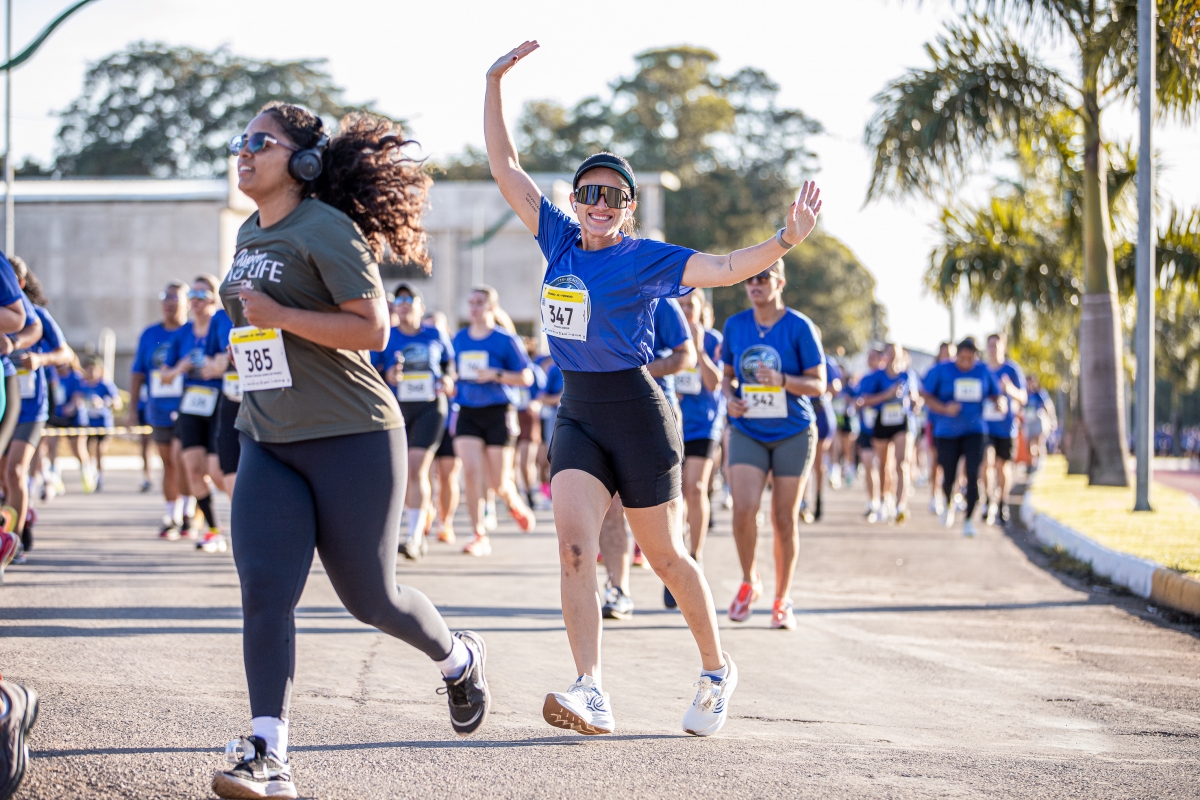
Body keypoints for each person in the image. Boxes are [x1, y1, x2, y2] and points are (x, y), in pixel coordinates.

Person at [485, 40, 821, 736]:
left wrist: (784, 240)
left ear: (628, 207)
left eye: (612, 195)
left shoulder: (644, 259)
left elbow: (724, 267)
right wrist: (494, 84)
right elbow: (505, 167)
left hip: (638, 413)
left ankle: (716, 669)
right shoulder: (558, 240)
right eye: (589, 192)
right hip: (578, 412)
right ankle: (590, 689)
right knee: (573, 550)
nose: (598, 203)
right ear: (575, 200)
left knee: (665, 556)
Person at [211, 103, 490, 799]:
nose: (245, 152)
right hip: (267, 435)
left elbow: (372, 330)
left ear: (303, 161)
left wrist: (280, 317)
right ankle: (268, 752)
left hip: (352, 436)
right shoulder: (247, 231)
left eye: (260, 142)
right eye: (241, 141)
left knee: (371, 599)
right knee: (264, 592)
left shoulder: (325, 227)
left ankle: (458, 658)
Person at [721, 260, 826, 630]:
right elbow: (727, 376)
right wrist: (729, 399)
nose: (755, 284)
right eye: (750, 278)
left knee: (783, 518)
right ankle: (749, 580)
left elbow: (819, 384)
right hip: (748, 428)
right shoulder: (735, 325)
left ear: (779, 283)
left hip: (792, 431)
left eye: (763, 278)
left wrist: (783, 379)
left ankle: (782, 599)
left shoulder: (799, 326)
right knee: (743, 509)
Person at [599, 295, 694, 617]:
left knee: (664, 506)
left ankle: (676, 561)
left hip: (655, 411)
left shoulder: (660, 300)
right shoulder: (597, 292)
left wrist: (638, 371)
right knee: (611, 505)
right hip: (605, 410)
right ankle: (618, 589)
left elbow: (685, 355)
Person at [451, 285, 536, 556]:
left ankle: (513, 502)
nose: (474, 307)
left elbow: (527, 377)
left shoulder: (506, 339)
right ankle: (478, 534)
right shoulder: (459, 338)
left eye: (479, 302)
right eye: (471, 302)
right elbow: (451, 371)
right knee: (471, 472)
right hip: (467, 410)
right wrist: (450, 382)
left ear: (491, 307)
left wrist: (495, 374)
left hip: (499, 411)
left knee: (498, 483)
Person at [373, 284, 456, 560]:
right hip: (396, 409)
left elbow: (449, 364)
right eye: (399, 299)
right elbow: (373, 370)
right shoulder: (386, 334)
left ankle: (414, 537)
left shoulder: (434, 334)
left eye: (410, 299)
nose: (404, 303)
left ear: (421, 307)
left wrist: (448, 379)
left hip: (430, 407)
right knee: (401, 472)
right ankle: (416, 523)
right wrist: (388, 376)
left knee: (417, 468)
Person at [4, 264, 70, 555]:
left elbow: (65, 353)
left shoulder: (36, 316)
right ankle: (23, 514)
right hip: (5, 405)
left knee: (16, 470)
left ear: (19, 282)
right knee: (5, 477)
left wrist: (41, 360)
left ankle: (13, 542)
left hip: (31, 409)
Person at [161, 276, 229, 548]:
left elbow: (227, 360)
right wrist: (181, 367)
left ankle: (250, 517)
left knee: (217, 472)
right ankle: (214, 531)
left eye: (203, 294)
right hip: (191, 404)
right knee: (192, 470)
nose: (197, 300)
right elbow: (164, 375)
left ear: (213, 298)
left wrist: (214, 365)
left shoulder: (221, 321)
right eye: (193, 294)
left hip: (220, 402)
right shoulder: (183, 334)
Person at [920, 337, 1002, 537]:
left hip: (975, 430)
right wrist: (944, 408)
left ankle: (968, 519)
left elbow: (996, 394)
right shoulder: (941, 369)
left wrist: (1000, 403)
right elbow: (925, 395)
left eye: (970, 359)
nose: (965, 363)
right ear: (956, 356)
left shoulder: (983, 370)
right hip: (947, 431)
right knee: (948, 475)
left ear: (976, 356)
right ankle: (948, 501)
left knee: (973, 473)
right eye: (962, 358)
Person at [129, 281, 191, 538]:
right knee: (168, 463)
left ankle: (189, 512)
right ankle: (172, 515)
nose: (169, 303)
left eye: (175, 298)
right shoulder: (150, 334)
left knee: (183, 459)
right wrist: (133, 410)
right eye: (166, 297)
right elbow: (137, 373)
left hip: (189, 407)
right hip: (158, 408)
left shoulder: (192, 331)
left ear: (187, 303)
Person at [675, 290, 724, 563]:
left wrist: (699, 348)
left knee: (695, 488)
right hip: (672, 423)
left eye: (690, 305)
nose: (685, 310)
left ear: (700, 308)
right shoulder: (668, 336)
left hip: (703, 426)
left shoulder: (714, 339)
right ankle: (678, 554)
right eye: (680, 305)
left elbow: (714, 383)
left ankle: (696, 555)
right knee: (675, 493)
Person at [856, 343, 920, 524]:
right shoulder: (876, 376)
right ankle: (885, 499)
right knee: (884, 465)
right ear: (884, 356)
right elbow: (864, 401)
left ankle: (901, 506)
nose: (892, 357)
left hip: (902, 422)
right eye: (889, 353)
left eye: (895, 354)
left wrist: (915, 402)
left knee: (902, 463)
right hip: (882, 422)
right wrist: (887, 395)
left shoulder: (907, 375)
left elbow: (915, 396)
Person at [982, 333, 1027, 525]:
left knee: (1002, 466)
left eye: (996, 345)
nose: (993, 349)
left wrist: (1009, 390)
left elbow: (1023, 397)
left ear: (1003, 347)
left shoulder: (1012, 369)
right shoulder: (982, 370)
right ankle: (987, 501)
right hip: (985, 427)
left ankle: (1002, 503)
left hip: (1006, 427)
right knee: (986, 463)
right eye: (990, 345)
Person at [71, 355, 123, 492]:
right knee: (87, 450)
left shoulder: (105, 385)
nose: (91, 372)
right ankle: (91, 472)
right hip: (87, 423)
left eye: (94, 369)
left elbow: (118, 403)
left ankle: (100, 476)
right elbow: (76, 398)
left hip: (103, 423)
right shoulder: (82, 385)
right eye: (88, 369)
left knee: (100, 449)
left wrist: (104, 402)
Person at [809, 349, 843, 521]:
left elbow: (836, 387)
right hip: (798, 412)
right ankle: (802, 502)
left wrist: (813, 386)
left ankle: (818, 499)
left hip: (820, 412)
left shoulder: (826, 361)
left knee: (817, 461)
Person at [855, 349, 883, 521]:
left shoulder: (887, 377)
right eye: (868, 357)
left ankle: (885, 499)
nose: (869, 360)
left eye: (873, 357)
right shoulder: (864, 379)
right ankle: (872, 502)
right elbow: (858, 400)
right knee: (867, 464)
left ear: (881, 359)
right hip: (866, 428)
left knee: (885, 467)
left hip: (884, 429)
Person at [1023, 374, 1056, 470]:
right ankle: (1033, 463)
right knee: (1029, 445)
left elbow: (1047, 406)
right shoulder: (1024, 393)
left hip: (1038, 419)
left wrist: (1051, 420)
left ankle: (1039, 465)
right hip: (1028, 421)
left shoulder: (1039, 393)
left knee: (1039, 442)